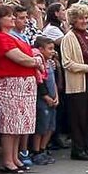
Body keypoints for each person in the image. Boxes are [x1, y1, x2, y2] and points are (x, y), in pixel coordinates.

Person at [0, 5, 41, 173]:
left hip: (24, 84)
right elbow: (20, 58)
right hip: (11, 83)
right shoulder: (0, 38)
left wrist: (34, 59)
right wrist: (36, 61)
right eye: (8, 16)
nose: (12, 18)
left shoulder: (13, 37)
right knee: (10, 124)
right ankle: (7, 159)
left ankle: (14, 156)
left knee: (19, 125)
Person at [60, 3, 88, 161]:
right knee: (78, 117)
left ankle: (87, 146)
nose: (84, 21)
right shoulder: (68, 38)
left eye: (86, 18)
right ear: (73, 20)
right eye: (80, 18)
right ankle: (78, 149)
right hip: (77, 84)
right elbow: (67, 63)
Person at [31, 36, 59, 165]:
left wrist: (56, 96)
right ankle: (36, 151)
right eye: (50, 49)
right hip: (43, 100)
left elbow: (54, 83)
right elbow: (40, 82)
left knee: (50, 126)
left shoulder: (50, 63)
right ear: (40, 49)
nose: (53, 51)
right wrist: (46, 97)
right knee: (41, 126)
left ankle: (43, 148)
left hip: (53, 98)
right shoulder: (39, 65)